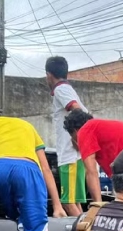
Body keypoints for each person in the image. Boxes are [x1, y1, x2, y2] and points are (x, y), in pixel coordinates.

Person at [45, 56, 89, 217]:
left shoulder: (60, 89)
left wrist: (74, 138)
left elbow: (76, 109)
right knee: (75, 201)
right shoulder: (67, 89)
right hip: (75, 156)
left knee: (67, 202)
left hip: (69, 155)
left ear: (49, 75)